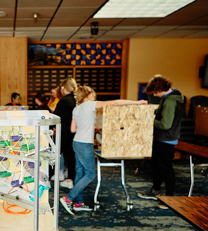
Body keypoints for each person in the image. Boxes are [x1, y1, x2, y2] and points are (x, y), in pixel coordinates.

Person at [60, 85, 148, 214]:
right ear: (89, 94)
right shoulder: (90, 105)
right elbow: (115, 102)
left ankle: (78, 203)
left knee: (80, 173)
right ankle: (69, 198)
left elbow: (73, 129)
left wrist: (89, 128)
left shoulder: (77, 108)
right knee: (90, 174)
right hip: (85, 145)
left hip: (77, 142)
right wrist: (138, 102)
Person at [137, 75, 184, 208]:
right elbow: (160, 113)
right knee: (156, 166)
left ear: (159, 89)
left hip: (166, 139)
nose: (155, 95)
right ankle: (155, 191)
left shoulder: (170, 101)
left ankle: (170, 199)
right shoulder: (169, 97)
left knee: (166, 169)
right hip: (162, 138)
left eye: (155, 92)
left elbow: (165, 124)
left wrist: (148, 120)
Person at [53, 78, 77, 189]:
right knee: (70, 157)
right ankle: (69, 180)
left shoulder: (63, 101)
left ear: (64, 88)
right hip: (74, 132)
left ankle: (46, 179)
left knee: (54, 155)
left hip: (62, 132)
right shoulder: (77, 100)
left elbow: (55, 116)